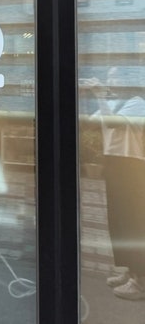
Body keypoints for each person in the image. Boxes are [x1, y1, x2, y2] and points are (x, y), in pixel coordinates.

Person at [83, 67, 145, 300]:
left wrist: (100, 95)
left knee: (133, 222)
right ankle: (131, 272)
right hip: (114, 163)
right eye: (108, 77)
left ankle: (140, 282)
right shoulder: (113, 102)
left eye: (115, 76)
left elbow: (112, 124)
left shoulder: (137, 103)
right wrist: (88, 97)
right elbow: (89, 122)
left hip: (132, 165)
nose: (110, 80)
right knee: (118, 221)